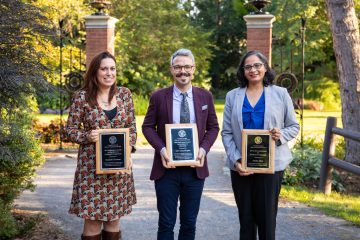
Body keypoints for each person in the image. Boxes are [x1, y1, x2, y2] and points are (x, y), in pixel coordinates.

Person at [221, 50, 299, 240]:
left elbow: (293, 126)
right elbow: (227, 132)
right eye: (248, 67)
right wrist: (236, 159)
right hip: (241, 168)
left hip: (271, 168)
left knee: (267, 221)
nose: (253, 70)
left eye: (257, 65)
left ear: (265, 67)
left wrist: (280, 136)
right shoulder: (233, 96)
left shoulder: (280, 94)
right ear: (243, 71)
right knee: (246, 221)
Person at [142, 48, 219, 240]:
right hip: (166, 169)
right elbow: (148, 127)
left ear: (193, 69)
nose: (182, 71)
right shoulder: (159, 97)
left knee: (189, 223)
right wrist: (162, 149)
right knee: (166, 223)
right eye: (178, 67)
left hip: (195, 170)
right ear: (171, 69)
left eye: (186, 67)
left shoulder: (205, 96)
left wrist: (203, 150)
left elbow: (213, 127)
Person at [66, 51, 137, 240]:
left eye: (112, 69)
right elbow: (70, 130)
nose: (109, 73)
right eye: (104, 69)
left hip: (118, 169)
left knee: (114, 219)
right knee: (92, 220)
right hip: (91, 171)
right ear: (95, 72)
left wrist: (128, 151)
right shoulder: (82, 97)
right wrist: (88, 136)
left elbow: (132, 129)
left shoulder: (124, 95)